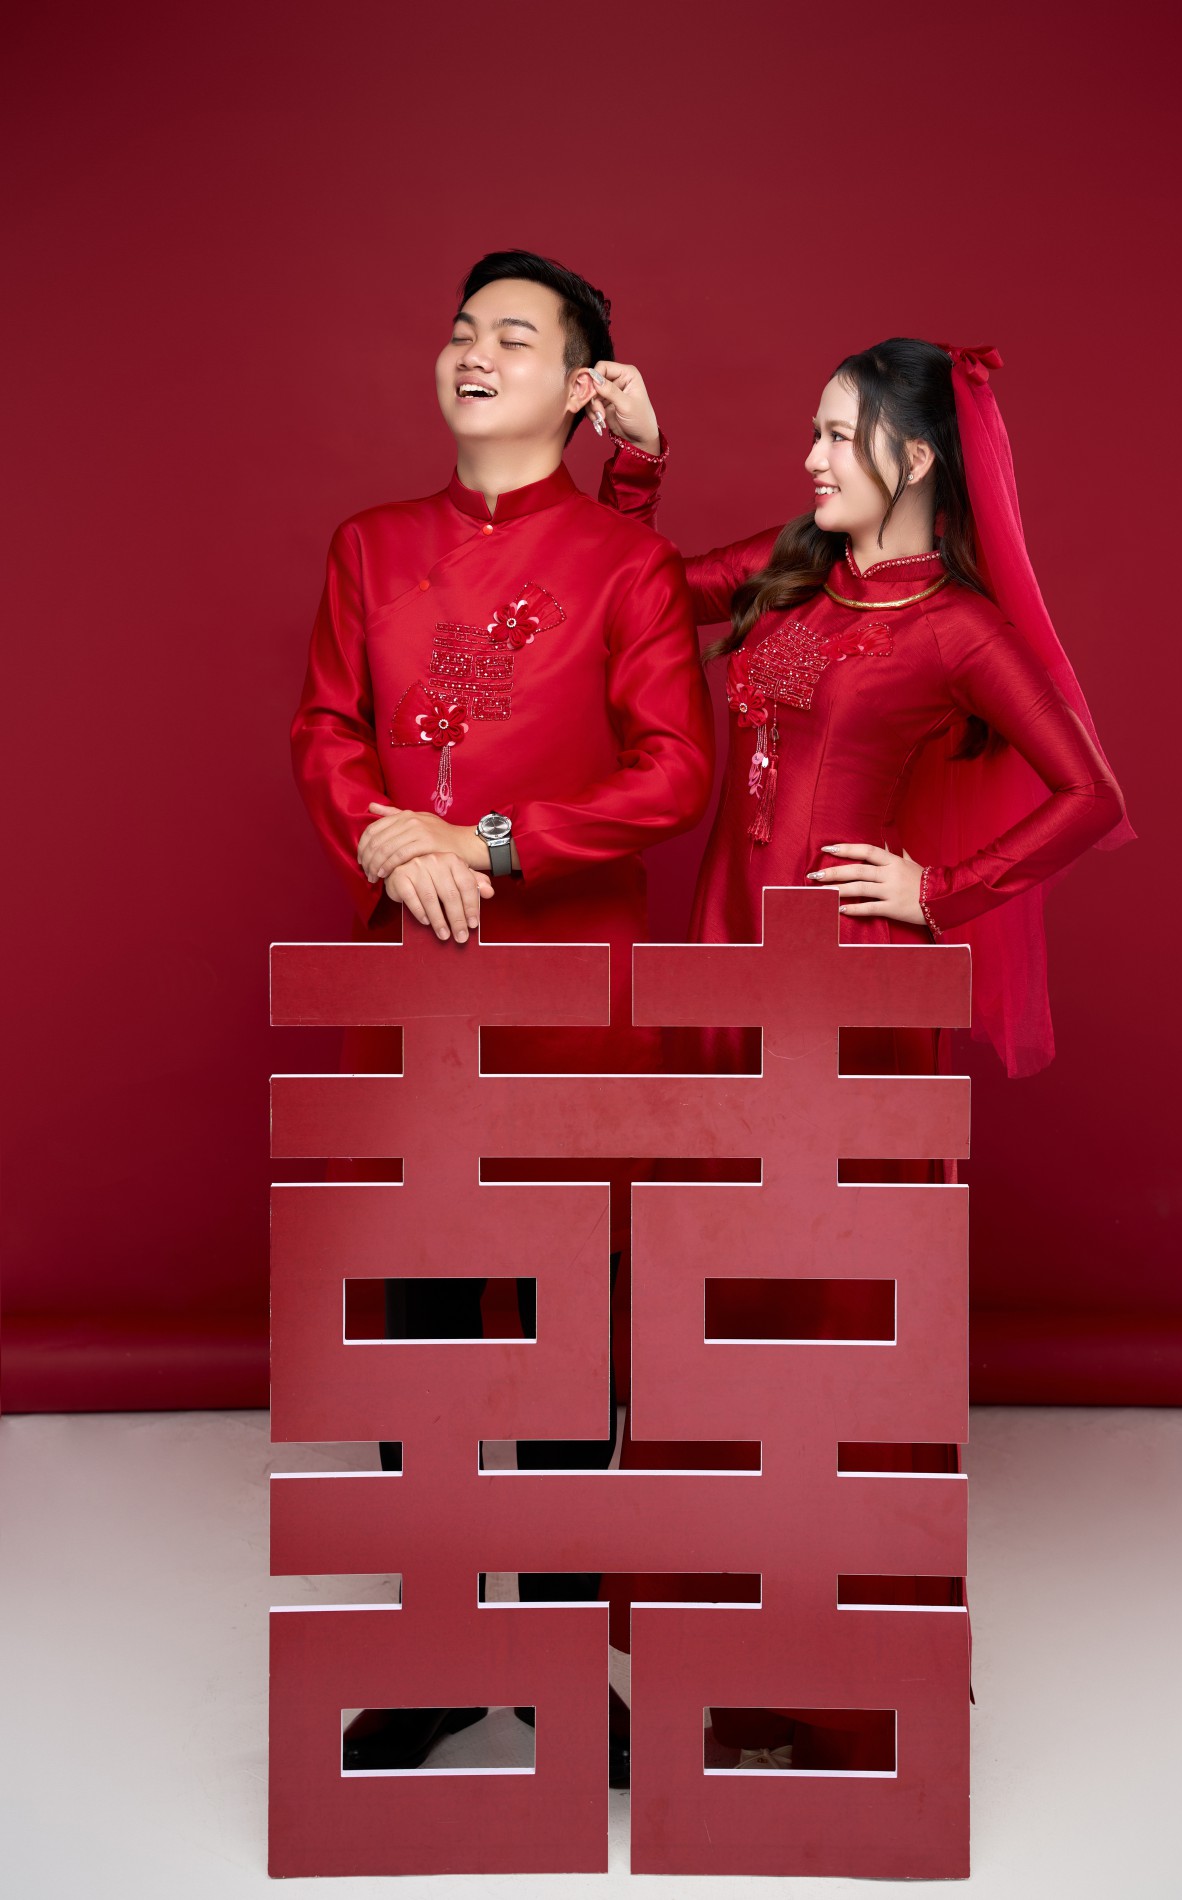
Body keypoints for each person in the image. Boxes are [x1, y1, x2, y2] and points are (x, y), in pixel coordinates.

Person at [589, 336, 1130, 1767]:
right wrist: (636, 462)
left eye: (839, 434)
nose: (813, 457)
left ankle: (840, 1689)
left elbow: (1088, 793)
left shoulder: (958, 630)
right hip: (719, 984)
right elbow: (638, 596)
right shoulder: (790, 573)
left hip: (843, 1009)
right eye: (814, 432)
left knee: (830, 1325)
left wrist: (938, 891)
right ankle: (718, 1667)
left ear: (917, 457)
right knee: (708, 1317)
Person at [290, 249, 713, 1781]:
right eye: (464, 328)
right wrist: (388, 842)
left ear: (579, 384)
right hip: (414, 987)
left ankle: (550, 1656)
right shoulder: (369, 545)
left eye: (515, 336)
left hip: (570, 997)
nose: (474, 351)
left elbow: (676, 773)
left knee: (561, 1341)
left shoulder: (625, 566)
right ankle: (434, 1651)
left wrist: (490, 846)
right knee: (412, 1330)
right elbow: (327, 727)